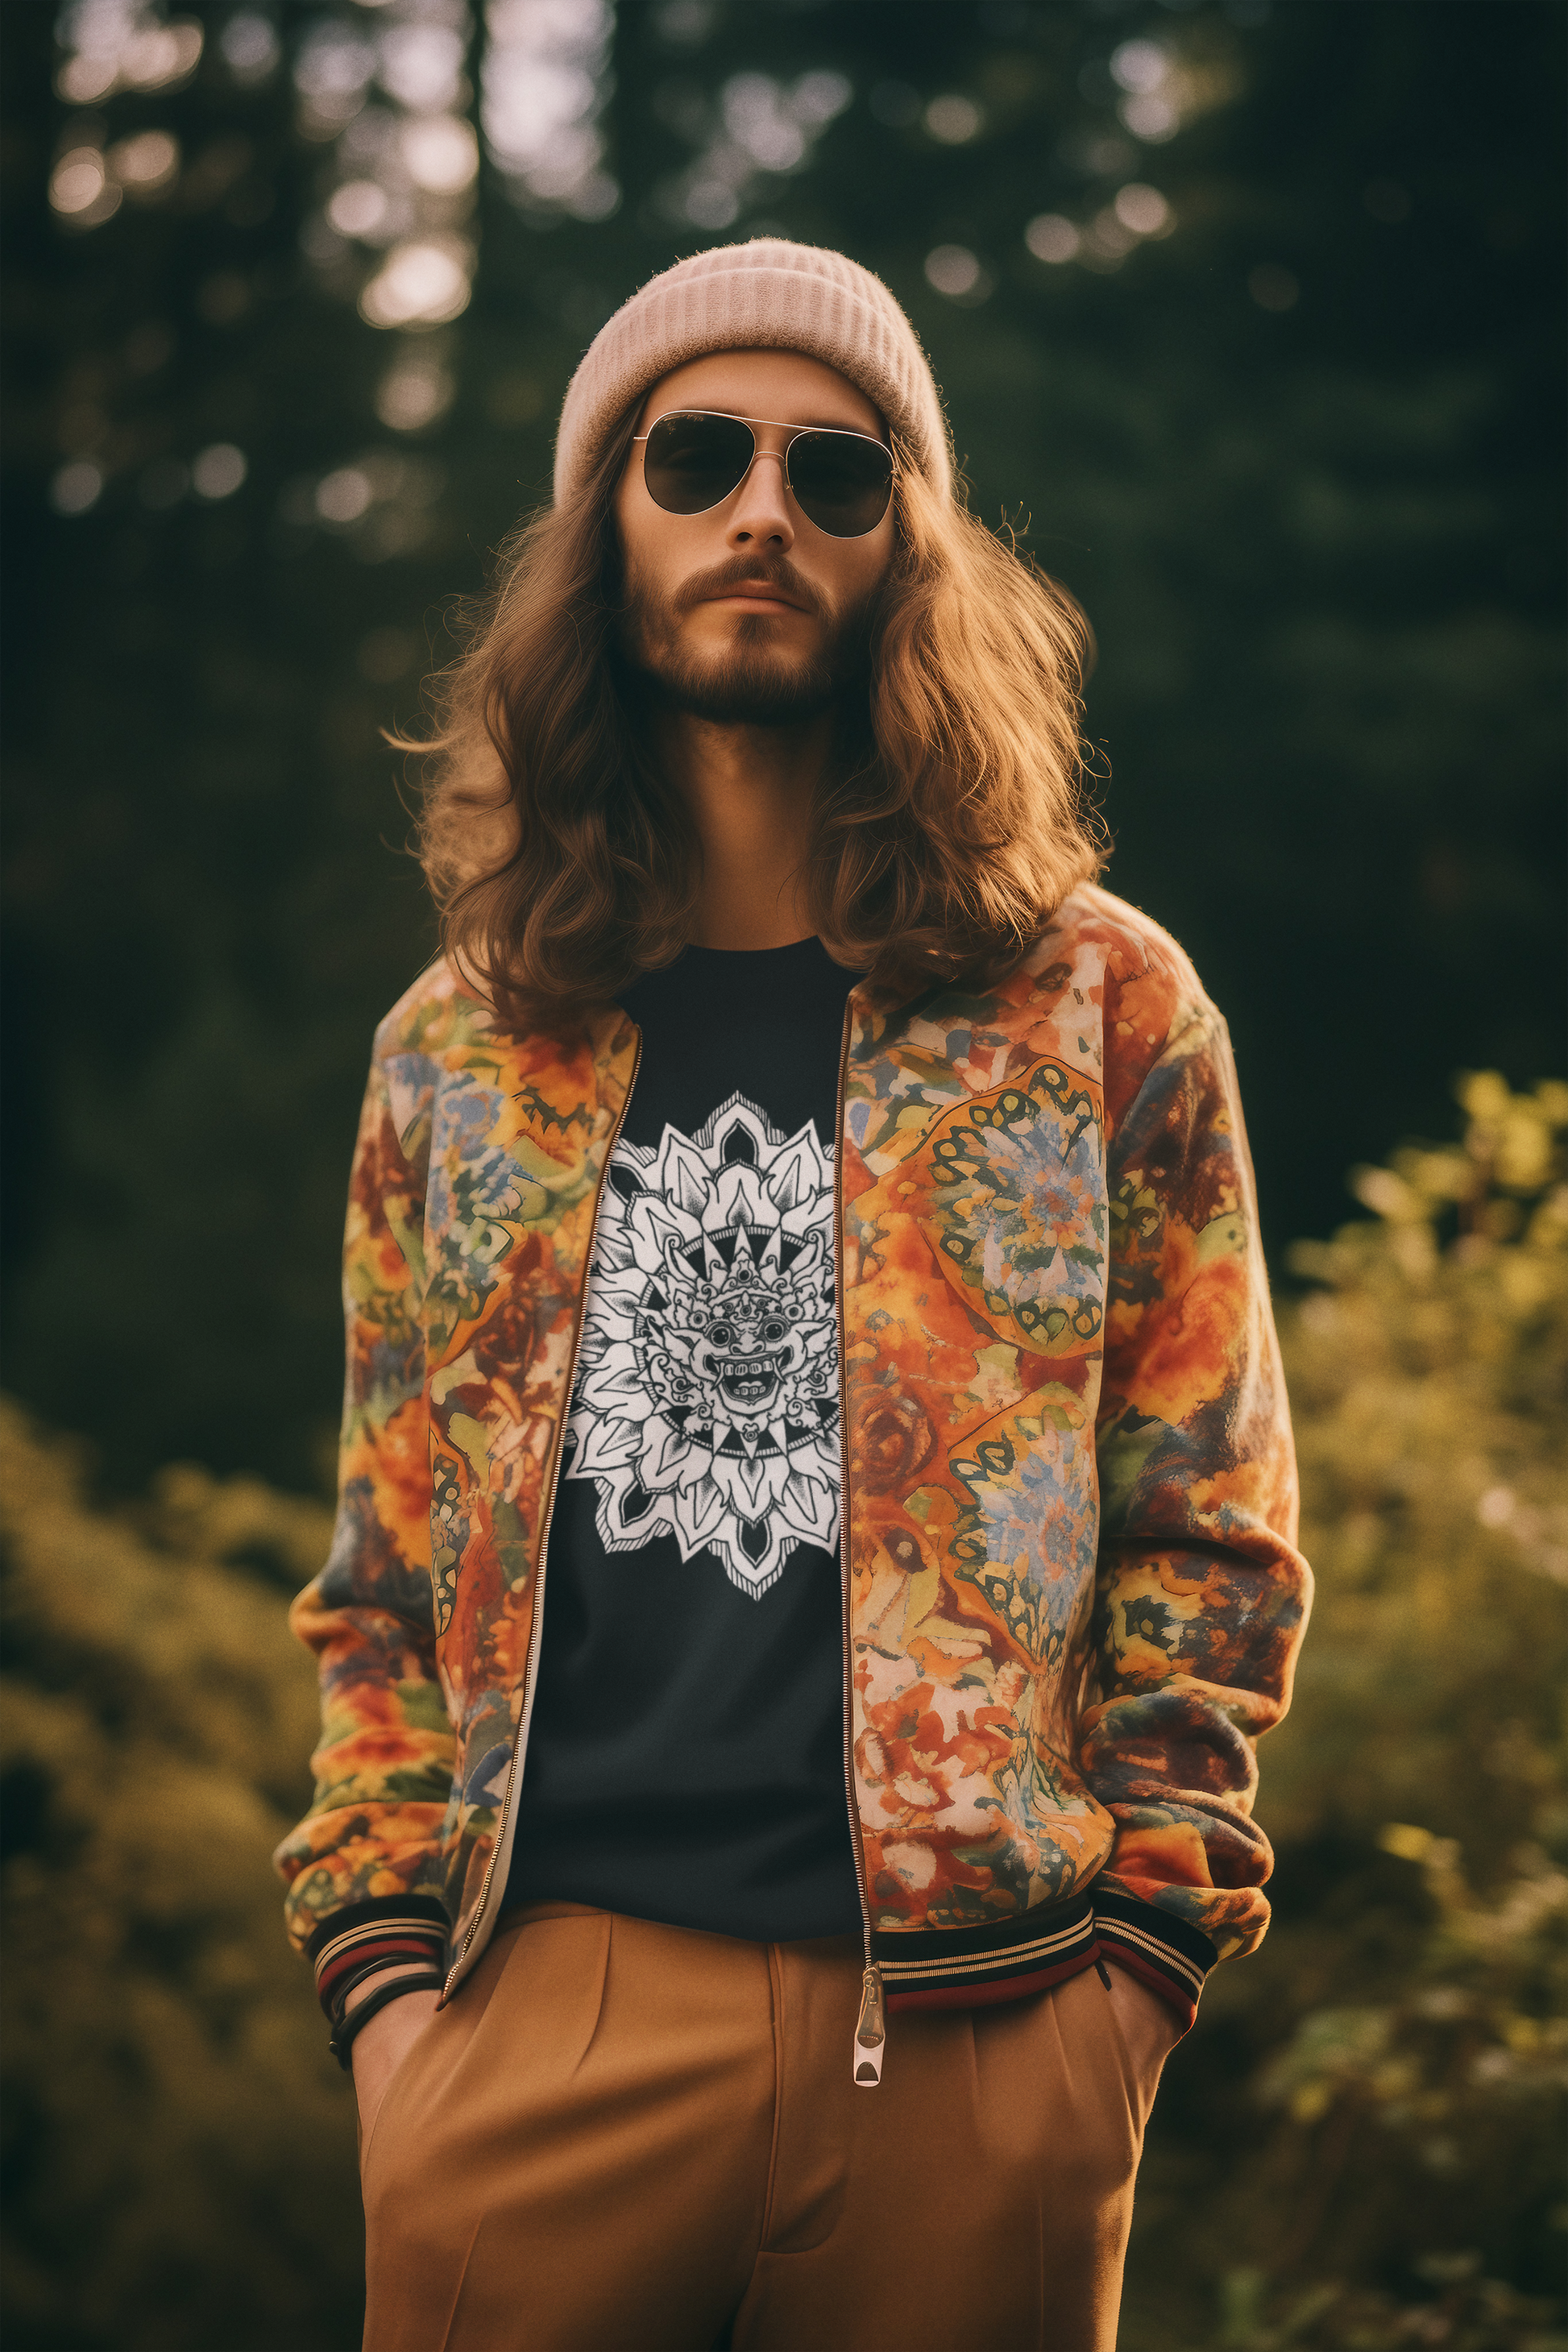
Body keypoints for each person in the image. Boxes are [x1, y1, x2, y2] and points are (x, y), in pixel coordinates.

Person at [276, 239, 1311, 2352]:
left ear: (906, 553)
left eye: (838, 470)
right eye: (699, 454)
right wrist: (394, 2010)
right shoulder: (454, 1051)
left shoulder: (1100, 1008)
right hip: (536, 2024)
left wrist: (1123, 1989)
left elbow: (1212, 1514)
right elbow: (384, 1575)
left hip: (988, 2031)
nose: (766, 506)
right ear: (602, 533)